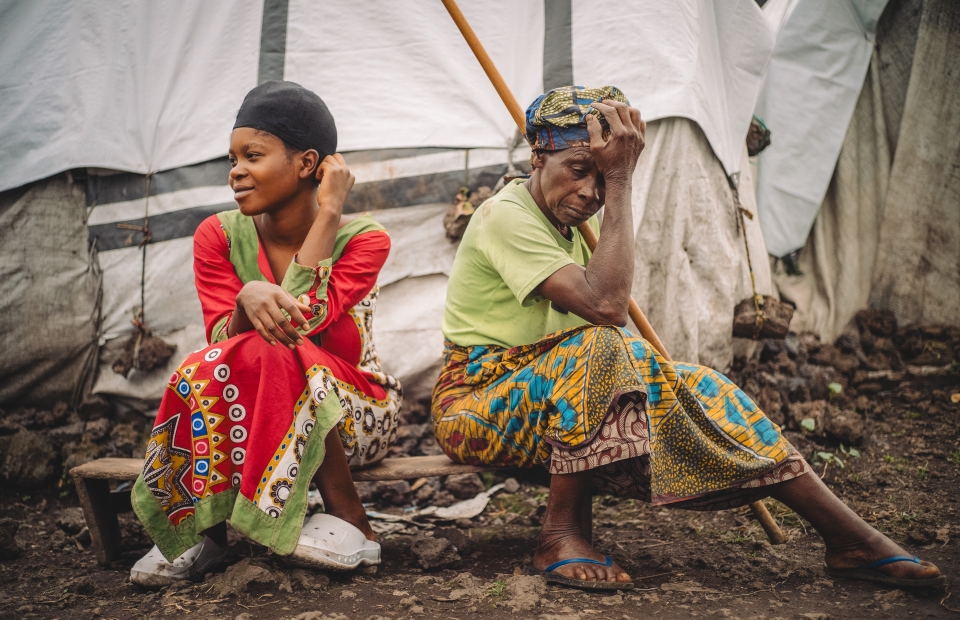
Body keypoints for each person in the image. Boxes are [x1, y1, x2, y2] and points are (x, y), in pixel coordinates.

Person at [433, 85, 945, 591]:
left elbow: (599, 323)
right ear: (538, 154)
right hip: (474, 403)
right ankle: (561, 535)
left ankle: (848, 537)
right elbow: (606, 308)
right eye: (578, 169)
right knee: (604, 346)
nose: (591, 193)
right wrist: (621, 181)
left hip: (542, 401)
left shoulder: (572, 230)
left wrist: (618, 180)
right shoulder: (505, 214)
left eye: (606, 179)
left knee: (702, 385)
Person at [130, 81, 401, 587]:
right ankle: (204, 533)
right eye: (231, 158)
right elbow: (220, 346)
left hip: (357, 413)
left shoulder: (363, 238)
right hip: (252, 409)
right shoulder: (217, 235)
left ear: (307, 164)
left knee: (280, 348)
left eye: (252, 155)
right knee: (209, 363)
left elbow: (303, 321)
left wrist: (329, 213)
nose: (235, 171)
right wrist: (243, 298)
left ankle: (353, 521)